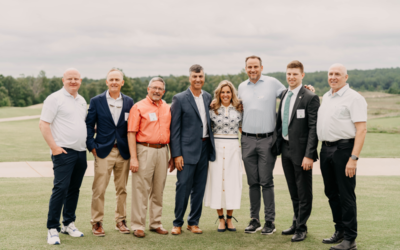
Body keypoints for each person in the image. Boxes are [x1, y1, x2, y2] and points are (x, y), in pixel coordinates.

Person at [237, 55, 315, 235]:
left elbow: (293, 92)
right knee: (252, 182)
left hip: (267, 140)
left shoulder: (273, 83)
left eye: (255, 66)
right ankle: (254, 219)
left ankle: (269, 222)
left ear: (261, 67)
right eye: (249, 67)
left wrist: (307, 88)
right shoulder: (241, 87)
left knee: (266, 181)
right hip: (247, 139)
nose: (252, 70)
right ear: (246, 68)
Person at [317, 64, 367, 250]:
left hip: (344, 150)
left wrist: (353, 158)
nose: (333, 77)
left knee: (346, 195)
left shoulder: (354, 98)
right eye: (330, 74)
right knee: (331, 193)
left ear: (346, 77)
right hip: (326, 149)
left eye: (337, 74)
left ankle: (350, 239)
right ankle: (340, 231)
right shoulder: (327, 97)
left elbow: (361, 129)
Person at [271, 60, 320, 242]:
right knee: (293, 190)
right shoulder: (284, 94)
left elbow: (313, 129)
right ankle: (296, 221)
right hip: (285, 149)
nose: (291, 77)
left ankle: (302, 227)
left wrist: (309, 155)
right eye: (289, 74)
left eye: (295, 74)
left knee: (304, 191)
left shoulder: (310, 97)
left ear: (302, 75)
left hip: (302, 153)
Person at [39, 68, 87, 245]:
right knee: (60, 189)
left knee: (74, 189)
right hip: (63, 152)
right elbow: (44, 124)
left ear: (80, 81)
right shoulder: (54, 99)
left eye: (76, 78)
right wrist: (54, 148)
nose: (73, 81)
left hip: (81, 152)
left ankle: (68, 223)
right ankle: (53, 228)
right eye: (70, 78)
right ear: (63, 80)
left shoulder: (81, 100)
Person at [85, 68, 134, 236]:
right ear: (107, 82)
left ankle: (121, 221)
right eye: (111, 79)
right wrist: (92, 147)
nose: (114, 82)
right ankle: (96, 222)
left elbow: (131, 127)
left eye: (117, 79)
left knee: (122, 189)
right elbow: (89, 125)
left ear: (122, 82)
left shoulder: (129, 102)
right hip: (103, 151)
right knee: (99, 189)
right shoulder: (96, 101)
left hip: (123, 152)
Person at [169, 64, 216, 235]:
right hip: (186, 150)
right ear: (189, 78)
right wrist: (177, 154)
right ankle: (177, 223)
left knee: (199, 188)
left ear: (204, 78)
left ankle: (193, 222)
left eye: (200, 76)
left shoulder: (208, 97)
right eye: (195, 76)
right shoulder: (179, 98)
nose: (198, 79)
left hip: (205, 148)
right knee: (183, 187)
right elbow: (174, 130)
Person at [127, 77, 173, 238]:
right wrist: (134, 157)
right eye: (154, 88)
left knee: (158, 189)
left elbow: (171, 133)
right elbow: (131, 133)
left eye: (160, 88)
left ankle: (155, 223)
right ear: (148, 89)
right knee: (141, 189)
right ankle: (138, 225)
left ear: (164, 91)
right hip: (144, 149)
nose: (157, 91)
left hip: (162, 150)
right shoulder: (138, 107)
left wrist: (172, 155)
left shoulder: (167, 108)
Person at [204, 80, 243, 232]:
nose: (225, 95)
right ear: (218, 94)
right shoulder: (212, 108)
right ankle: (221, 219)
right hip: (217, 148)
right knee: (217, 181)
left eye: (228, 92)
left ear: (232, 94)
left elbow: (242, 129)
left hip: (233, 147)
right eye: (223, 92)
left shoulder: (239, 109)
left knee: (232, 182)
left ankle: (229, 219)